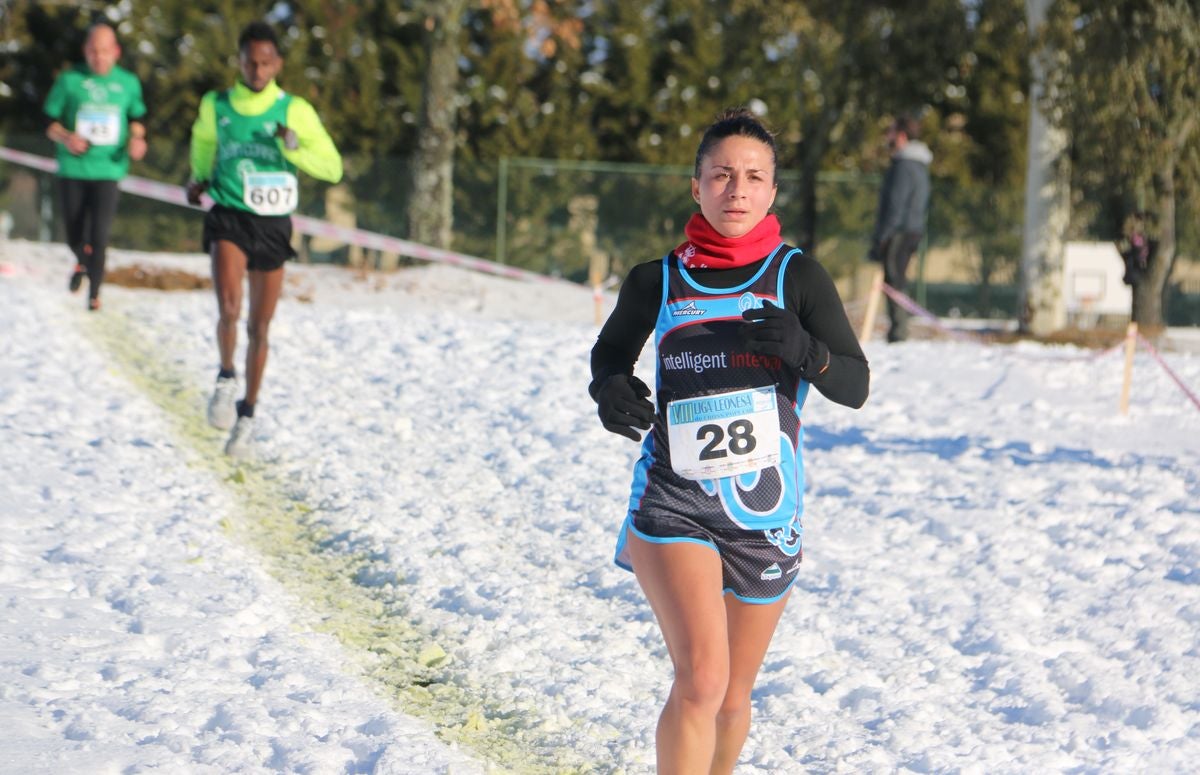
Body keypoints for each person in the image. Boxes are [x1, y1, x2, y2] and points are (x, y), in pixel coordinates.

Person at [589, 108, 869, 774]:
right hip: (673, 501)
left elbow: (854, 384)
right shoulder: (655, 280)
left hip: (764, 515)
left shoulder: (797, 278)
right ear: (696, 186)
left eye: (752, 177)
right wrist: (609, 391)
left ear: (772, 191)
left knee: (734, 695)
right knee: (702, 680)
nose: (736, 190)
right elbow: (609, 355)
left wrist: (806, 349)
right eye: (721, 175)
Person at [186, 21, 342, 456]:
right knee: (229, 307)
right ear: (239, 61)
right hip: (229, 214)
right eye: (250, 62)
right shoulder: (216, 104)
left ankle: (248, 414)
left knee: (260, 325)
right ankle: (224, 376)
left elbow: (332, 168)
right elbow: (202, 141)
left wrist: (294, 148)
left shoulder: (295, 110)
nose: (257, 70)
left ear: (278, 64)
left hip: (273, 224)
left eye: (266, 62)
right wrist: (198, 177)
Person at [43, 22, 147, 311]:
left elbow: (138, 118)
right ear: (85, 51)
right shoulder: (69, 80)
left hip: (109, 171)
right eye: (93, 51)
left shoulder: (128, 83)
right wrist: (66, 137)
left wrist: (137, 139)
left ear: (116, 52)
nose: (98, 57)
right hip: (73, 169)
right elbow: (48, 123)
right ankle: (81, 262)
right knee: (75, 233)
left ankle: (95, 295)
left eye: (104, 51)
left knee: (100, 235)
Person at [868, 113, 932, 342]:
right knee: (897, 280)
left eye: (891, 131)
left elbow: (896, 206)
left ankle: (899, 332)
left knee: (894, 281)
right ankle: (898, 330)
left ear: (902, 136)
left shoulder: (904, 166)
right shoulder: (919, 165)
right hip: (912, 229)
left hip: (899, 232)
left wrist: (882, 237)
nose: (888, 136)